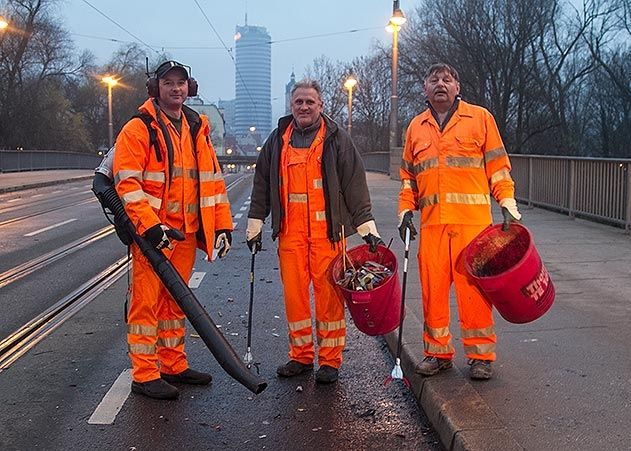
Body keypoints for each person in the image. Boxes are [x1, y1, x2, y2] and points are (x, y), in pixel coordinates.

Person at [246, 79, 383, 384]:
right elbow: (262, 183)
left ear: (321, 106)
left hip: (328, 235)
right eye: (299, 102)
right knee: (295, 298)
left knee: (329, 298)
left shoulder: (337, 139)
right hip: (290, 234)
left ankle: (330, 361)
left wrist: (366, 225)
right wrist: (256, 221)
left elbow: (354, 184)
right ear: (291, 106)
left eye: (310, 102)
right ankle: (301, 356)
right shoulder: (278, 140)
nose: (304, 107)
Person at [113, 61, 233, 399]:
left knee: (174, 304)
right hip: (154, 235)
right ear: (156, 87)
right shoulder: (139, 128)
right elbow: (128, 184)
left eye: (181, 83)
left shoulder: (197, 128)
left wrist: (223, 225)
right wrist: (150, 227)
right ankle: (145, 373)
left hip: (185, 233)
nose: (176, 89)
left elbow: (212, 183)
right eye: (168, 83)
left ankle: (172, 363)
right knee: (146, 304)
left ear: (189, 88)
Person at [397, 63, 521, 381]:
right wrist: (404, 210)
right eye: (434, 79)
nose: (441, 84)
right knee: (433, 292)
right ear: (425, 88)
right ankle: (437, 353)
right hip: (434, 226)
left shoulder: (480, 119)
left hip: (472, 226)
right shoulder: (416, 127)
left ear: (457, 87)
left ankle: (480, 356)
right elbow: (408, 178)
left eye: (447, 79)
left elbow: (497, 166)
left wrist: (506, 199)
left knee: (474, 293)